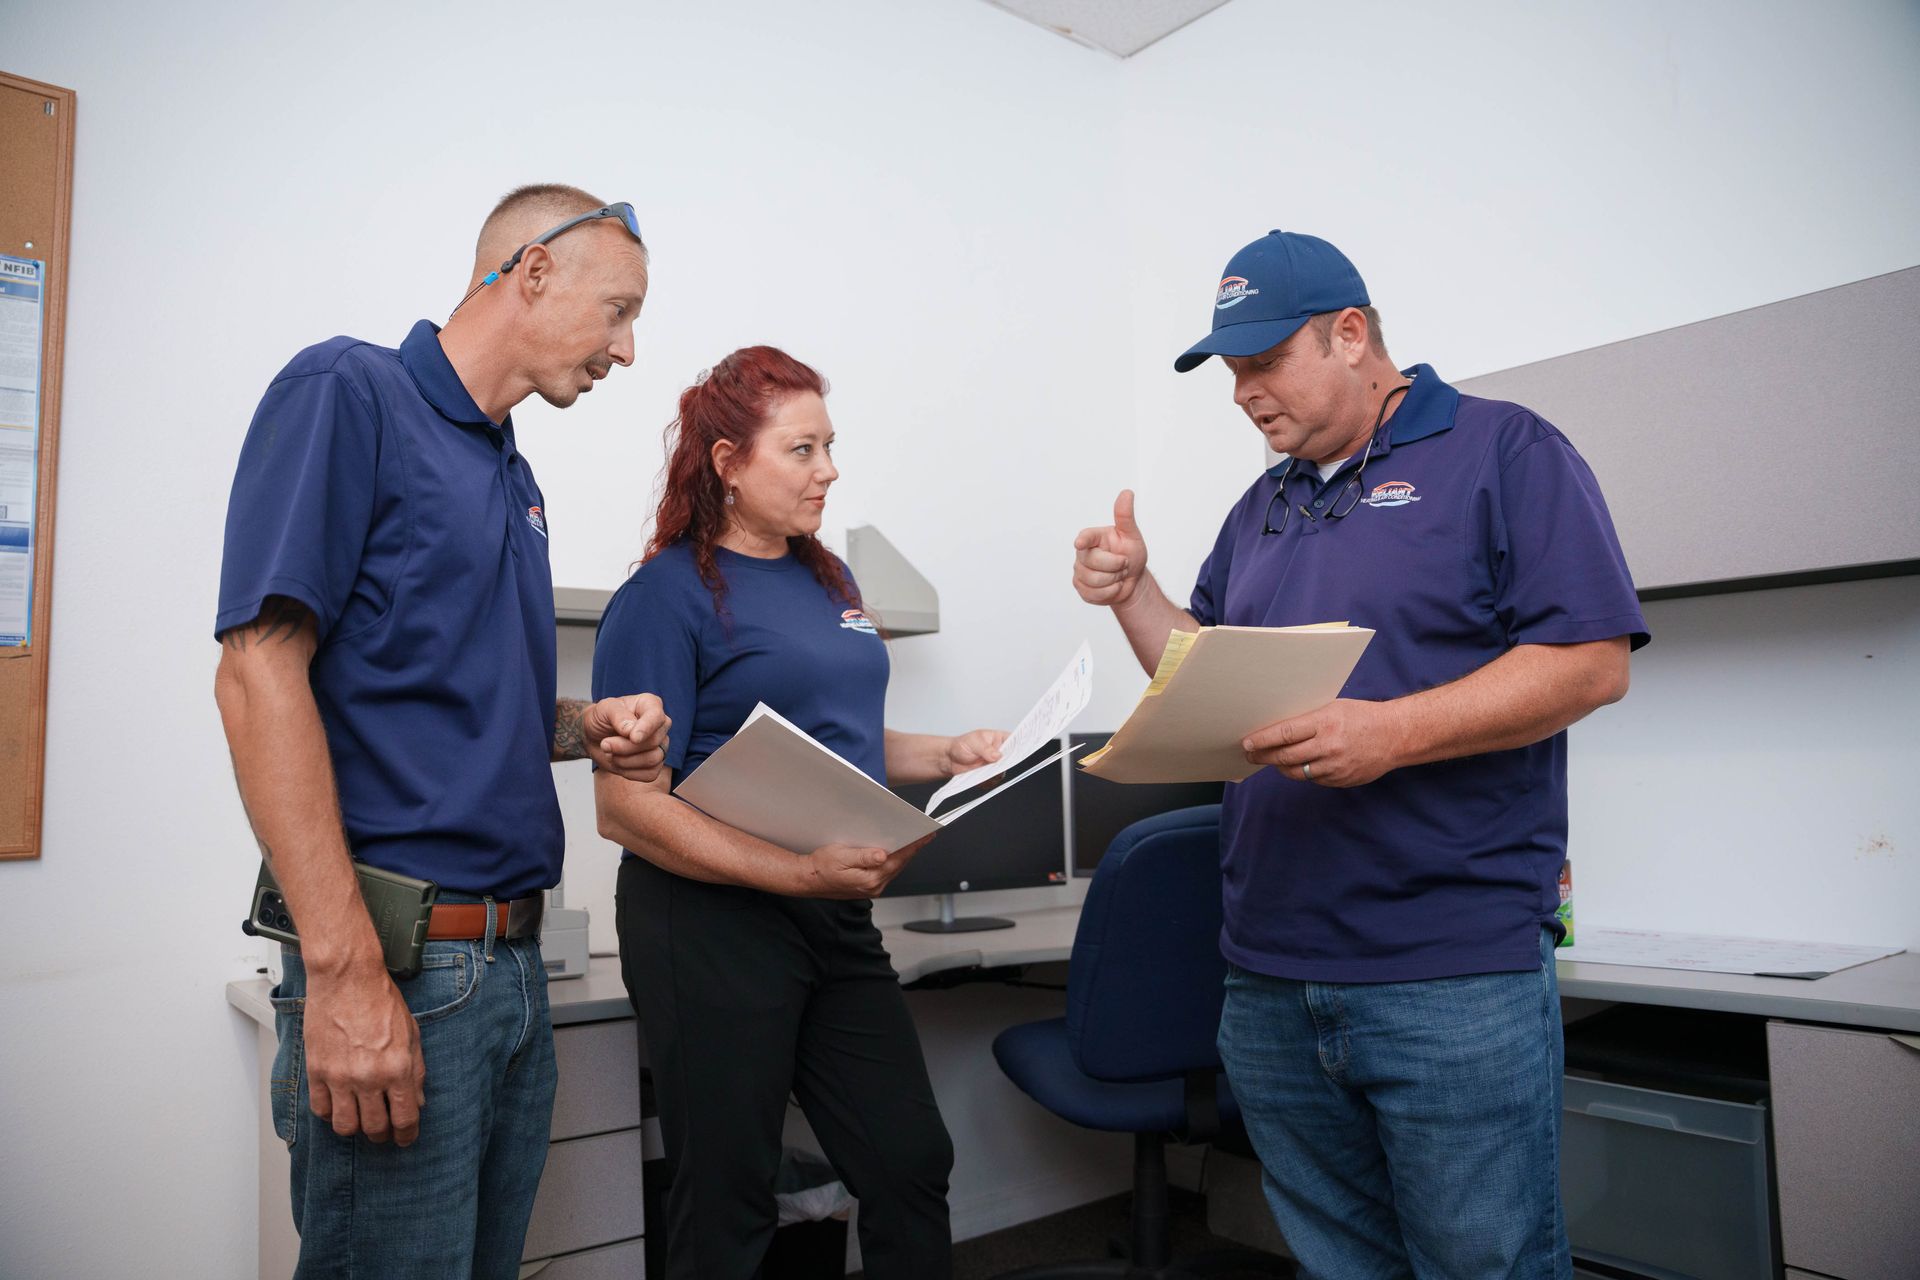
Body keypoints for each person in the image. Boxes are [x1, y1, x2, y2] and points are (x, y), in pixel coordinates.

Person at [1072, 230, 1649, 1279]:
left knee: (1487, 1263)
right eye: (1231, 372)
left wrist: (1391, 730)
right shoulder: (1264, 505)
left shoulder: (1505, 451)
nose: (1244, 393)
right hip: (1268, 974)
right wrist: (1133, 597)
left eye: (1263, 362)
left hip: (1448, 973)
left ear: (1351, 334)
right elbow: (1201, 677)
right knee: (1342, 1265)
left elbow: (1590, 661)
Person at [214, 184, 671, 1277]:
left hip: (508, 972)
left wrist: (583, 726)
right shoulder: (351, 390)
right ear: (533, 270)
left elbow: (456, 705)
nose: (629, 348)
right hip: (402, 965)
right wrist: (347, 974)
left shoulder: (515, 474)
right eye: (618, 310)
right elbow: (255, 672)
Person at [592, 345, 1002, 1280]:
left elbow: (836, 736)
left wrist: (945, 753)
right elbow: (625, 809)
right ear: (729, 463)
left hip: (830, 915)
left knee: (908, 1161)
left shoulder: (832, 583)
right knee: (729, 1191)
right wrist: (797, 874)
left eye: (831, 447)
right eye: (803, 450)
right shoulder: (663, 598)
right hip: (709, 922)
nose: (830, 471)